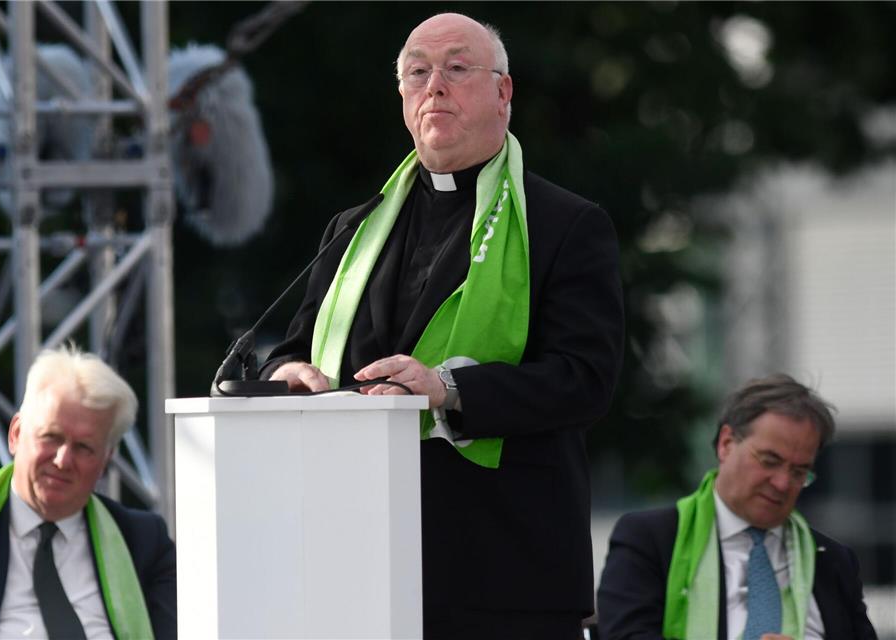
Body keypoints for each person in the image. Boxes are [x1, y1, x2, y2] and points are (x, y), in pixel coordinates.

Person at [259, 12, 624, 638]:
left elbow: (585, 379)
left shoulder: (564, 223)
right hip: (354, 562)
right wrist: (286, 372)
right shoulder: (353, 230)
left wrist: (449, 389)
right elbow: (292, 352)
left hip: (503, 570)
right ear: (402, 96)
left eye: (457, 69)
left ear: (503, 92)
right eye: (417, 72)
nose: (435, 86)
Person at [596, 374, 877, 640]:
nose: (782, 483)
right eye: (769, 461)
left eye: (799, 472)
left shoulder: (832, 561)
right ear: (726, 444)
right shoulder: (651, 540)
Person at [0, 346, 177, 640]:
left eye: (84, 447)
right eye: (51, 437)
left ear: (106, 461)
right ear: (15, 434)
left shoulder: (143, 543)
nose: (63, 460)